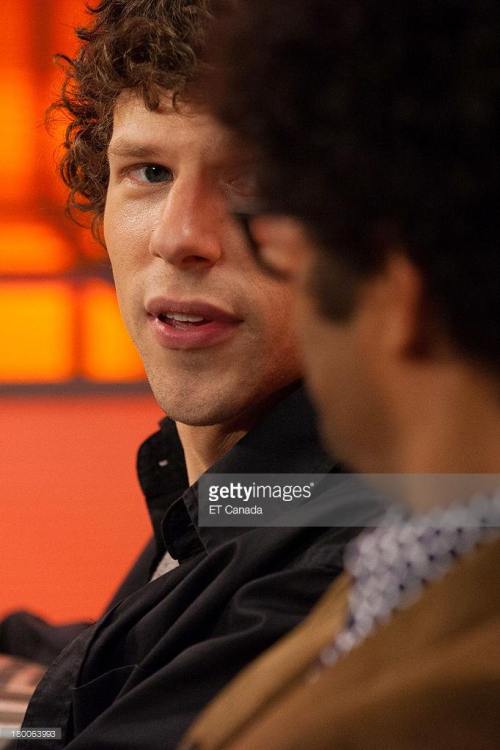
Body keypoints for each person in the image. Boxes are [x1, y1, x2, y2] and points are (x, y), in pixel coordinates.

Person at [7, 1, 377, 748]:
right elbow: (171, 635)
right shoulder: (250, 491)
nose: (181, 238)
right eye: (148, 171)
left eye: (252, 181)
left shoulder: (352, 551)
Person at [179, 1, 500, 748]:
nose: (181, 237)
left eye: (283, 238)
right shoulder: (406, 562)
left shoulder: (444, 711)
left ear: (393, 290)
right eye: (147, 172)